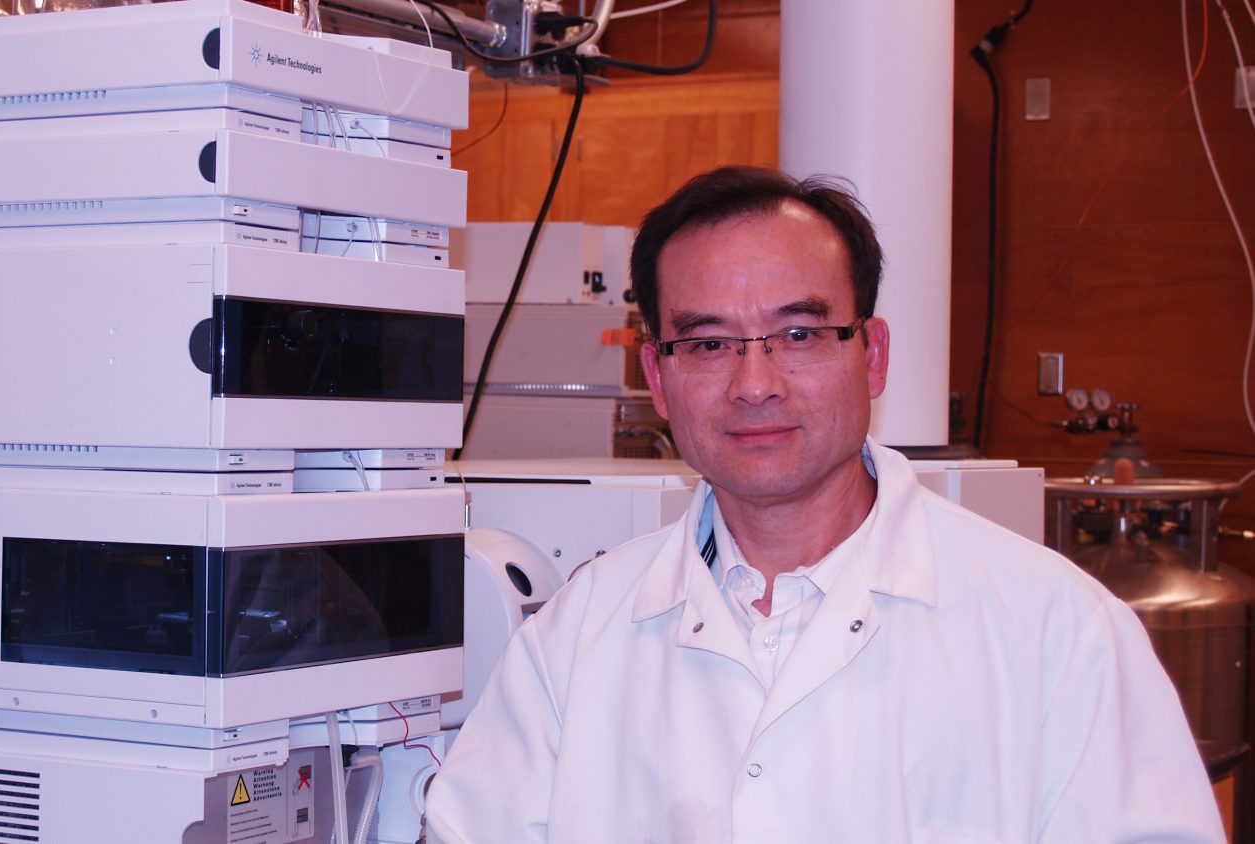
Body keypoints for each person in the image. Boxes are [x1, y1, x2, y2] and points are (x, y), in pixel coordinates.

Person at [425, 166, 1223, 842]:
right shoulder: (573, 642)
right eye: (707, 343)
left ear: (871, 355)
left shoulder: (1059, 632)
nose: (756, 383)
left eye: (800, 335)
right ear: (658, 378)